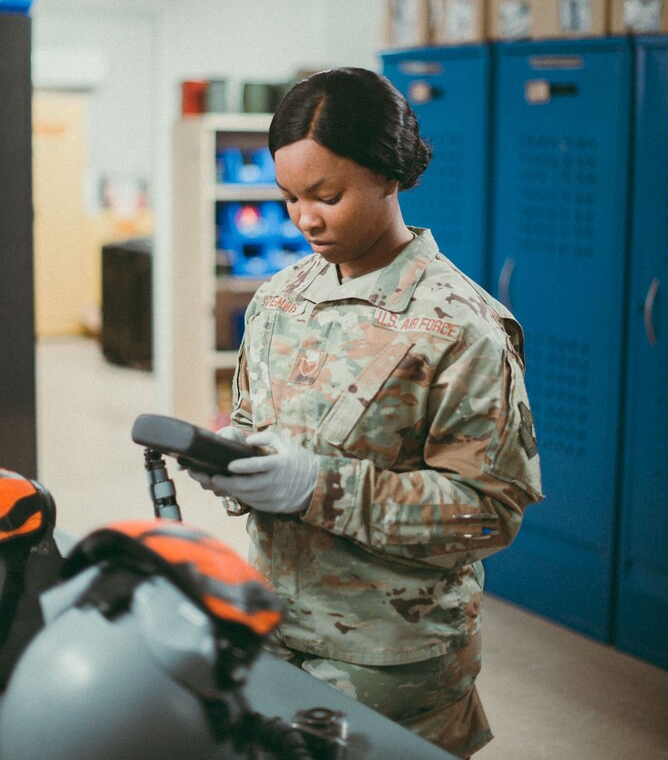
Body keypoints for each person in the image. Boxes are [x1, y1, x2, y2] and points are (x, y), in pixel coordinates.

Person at [189, 67, 543, 758]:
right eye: (288, 197)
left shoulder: (459, 327)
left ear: (388, 174)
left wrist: (315, 486)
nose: (304, 219)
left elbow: (489, 509)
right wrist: (236, 462)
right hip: (270, 627)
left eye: (327, 195)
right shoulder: (278, 299)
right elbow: (257, 424)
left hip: (389, 662)